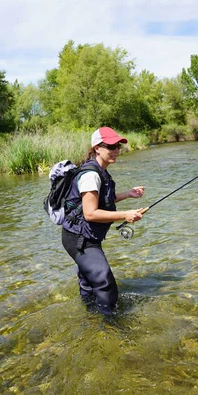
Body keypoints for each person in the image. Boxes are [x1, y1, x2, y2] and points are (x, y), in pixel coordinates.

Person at [61, 127, 145, 315]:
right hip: (79, 239)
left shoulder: (100, 171)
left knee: (89, 282)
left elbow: (102, 200)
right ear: (97, 148)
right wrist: (125, 215)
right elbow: (90, 213)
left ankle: (90, 315)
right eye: (111, 146)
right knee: (104, 280)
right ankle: (111, 324)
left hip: (81, 235)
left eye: (118, 146)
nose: (116, 150)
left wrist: (128, 194)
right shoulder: (91, 175)